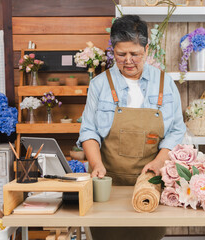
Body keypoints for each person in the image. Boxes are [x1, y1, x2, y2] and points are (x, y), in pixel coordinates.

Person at [77, 15, 186, 240]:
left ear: (146, 49)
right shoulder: (99, 85)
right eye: (121, 54)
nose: (128, 61)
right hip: (107, 183)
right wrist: (96, 164)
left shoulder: (166, 84)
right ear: (112, 51)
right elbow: (88, 131)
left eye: (135, 54)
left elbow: (176, 130)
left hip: (151, 183)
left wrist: (158, 162)